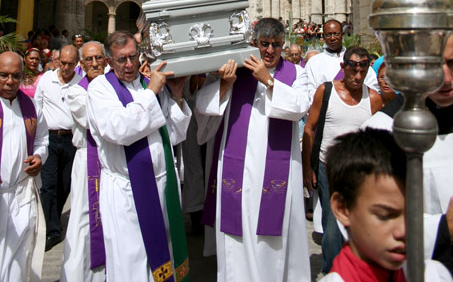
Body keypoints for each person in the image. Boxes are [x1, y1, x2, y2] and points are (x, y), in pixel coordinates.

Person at [196, 17, 311, 282]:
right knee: (239, 234)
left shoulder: (296, 74)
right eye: (264, 44)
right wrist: (226, 83)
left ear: (284, 45)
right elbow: (203, 105)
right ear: (254, 43)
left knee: (278, 233)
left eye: (276, 45)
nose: (270, 50)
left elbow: (299, 107)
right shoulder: (236, 71)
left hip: (280, 171)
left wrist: (269, 81)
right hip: (240, 172)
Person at [86, 30, 191, 282]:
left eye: (133, 56)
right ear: (109, 62)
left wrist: (176, 95)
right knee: (133, 260)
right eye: (122, 59)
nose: (130, 64)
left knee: (166, 251)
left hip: (163, 183)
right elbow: (119, 129)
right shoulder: (101, 88)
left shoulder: (145, 83)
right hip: (127, 192)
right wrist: (152, 92)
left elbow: (174, 134)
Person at [363, 33, 453, 274]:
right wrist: (443, 228)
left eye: (452, 63)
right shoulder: (381, 132)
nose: (445, 78)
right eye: (431, 65)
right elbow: (365, 224)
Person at [322, 128, 451, 281]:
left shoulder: (432, 275)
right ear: (342, 209)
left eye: (412, 215)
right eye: (385, 216)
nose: (403, 231)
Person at [302, 46, 383, 274]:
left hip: (361, 174)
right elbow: (309, 128)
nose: (357, 76)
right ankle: (332, 271)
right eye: (352, 70)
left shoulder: (373, 98)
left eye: (363, 70)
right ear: (342, 67)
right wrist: (308, 168)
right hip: (329, 169)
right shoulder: (325, 91)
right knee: (332, 226)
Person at [61, 41, 107, 282]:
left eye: (98, 58)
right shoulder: (76, 90)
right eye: (88, 59)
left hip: (110, 158)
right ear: (81, 63)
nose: (94, 63)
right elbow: (95, 120)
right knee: (83, 219)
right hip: (86, 157)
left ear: (106, 59)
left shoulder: (114, 85)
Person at [0, 51, 49, 281]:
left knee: (19, 259)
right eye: (3, 75)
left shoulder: (30, 105)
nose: (10, 81)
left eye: (15, 76)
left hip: (21, 194)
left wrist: (39, 155)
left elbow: (42, 139)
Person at [35, 44, 82, 251]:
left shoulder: (81, 84)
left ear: (76, 63)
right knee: (48, 185)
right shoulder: (46, 80)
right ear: (57, 61)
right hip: (50, 138)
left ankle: (53, 219)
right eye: (62, 63)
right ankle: (51, 231)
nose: (66, 67)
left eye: (70, 64)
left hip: (71, 140)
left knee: (65, 184)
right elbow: (37, 108)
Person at [303, 19, 378, 104]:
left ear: (342, 35)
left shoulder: (356, 58)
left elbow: (372, 84)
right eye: (328, 35)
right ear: (323, 37)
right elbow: (309, 90)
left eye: (336, 34)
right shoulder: (314, 62)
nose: (332, 38)